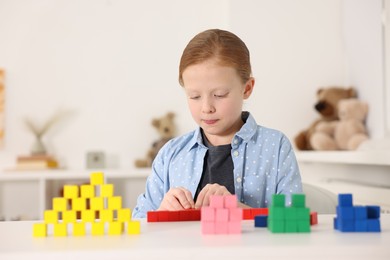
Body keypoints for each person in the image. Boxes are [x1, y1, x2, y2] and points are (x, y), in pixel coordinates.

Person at [132, 29, 302, 218]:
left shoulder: (275, 147)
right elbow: (139, 222)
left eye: (219, 95)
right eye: (194, 96)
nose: (206, 108)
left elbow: (294, 219)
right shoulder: (171, 154)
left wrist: (242, 211)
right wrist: (161, 213)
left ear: (247, 88)